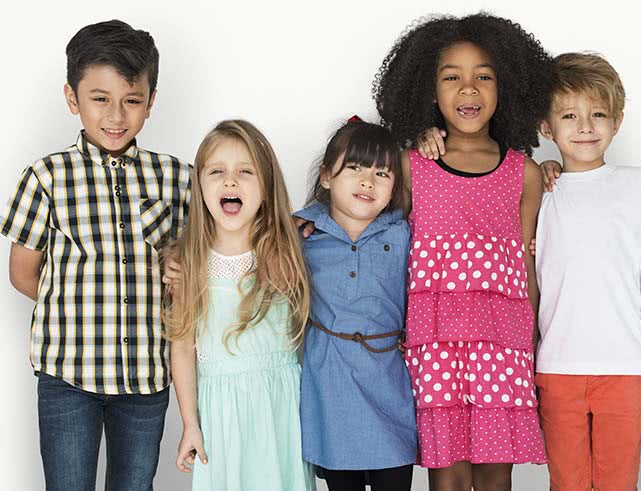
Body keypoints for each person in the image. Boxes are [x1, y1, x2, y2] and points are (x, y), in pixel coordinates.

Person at [416, 52, 641, 490]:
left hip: (625, 366)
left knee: (617, 483)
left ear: (617, 122)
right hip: (556, 365)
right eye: (570, 116)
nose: (585, 126)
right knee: (566, 482)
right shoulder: (539, 186)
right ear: (545, 127)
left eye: (598, 115)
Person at [0, 20, 191, 490]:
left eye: (132, 100)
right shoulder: (46, 177)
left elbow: (202, 257)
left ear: (151, 100)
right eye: (100, 98)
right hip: (68, 374)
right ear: (73, 98)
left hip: (145, 377)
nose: (116, 115)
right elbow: (23, 274)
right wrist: (79, 308)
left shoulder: (178, 178)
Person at [372, 13, 554, 490]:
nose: (468, 89)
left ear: (505, 87)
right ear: (429, 91)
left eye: (484, 77)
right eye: (452, 77)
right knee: (446, 475)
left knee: (496, 476)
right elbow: (379, 239)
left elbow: (527, 262)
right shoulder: (411, 167)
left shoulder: (524, 173)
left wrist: (535, 338)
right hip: (434, 343)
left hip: (502, 341)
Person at [165, 120, 314, 490]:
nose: (230, 181)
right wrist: (189, 424)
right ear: (199, 186)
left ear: (266, 186)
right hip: (221, 416)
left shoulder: (287, 252)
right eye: (217, 171)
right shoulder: (189, 263)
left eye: (245, 172)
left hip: (281, 410)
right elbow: (182, 348)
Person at [296, 117, 417, 491]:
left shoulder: (404, 232)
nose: (368, 182)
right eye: (355, 168)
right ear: (326, 176)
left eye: (382, 173)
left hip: (388, 384)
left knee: (394, 476)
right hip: (331, 387)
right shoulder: (302, 235)